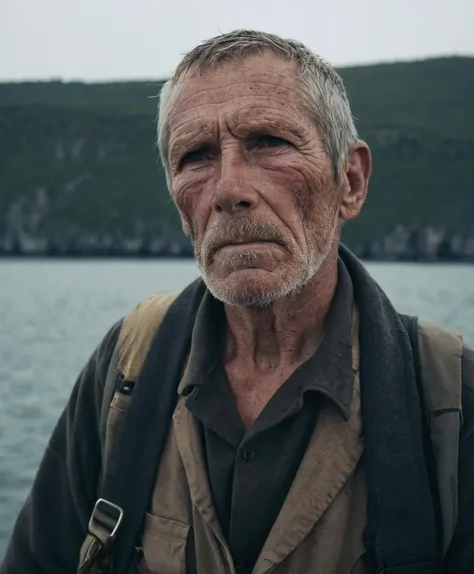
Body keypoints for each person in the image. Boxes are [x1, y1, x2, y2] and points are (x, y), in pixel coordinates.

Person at [1, 30, 473, 574]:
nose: (228, 188)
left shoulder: (449, 393)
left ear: (350, 180)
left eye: (270, 142)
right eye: (196, 156)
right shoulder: (129, 365)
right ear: (181, 206)